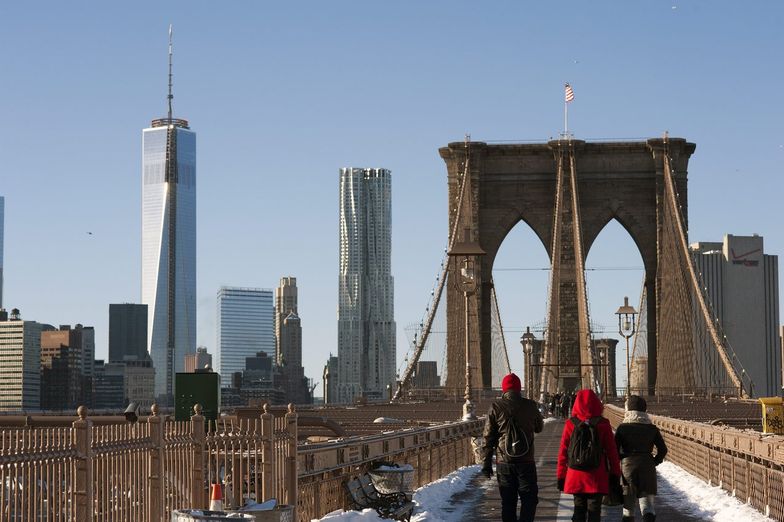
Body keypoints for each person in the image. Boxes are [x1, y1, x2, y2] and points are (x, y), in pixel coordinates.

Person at [481, 373, 544, 522]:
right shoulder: (530, 405)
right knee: (529, 500)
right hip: (526, 462)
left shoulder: (496, 407)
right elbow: (539, 428)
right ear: (518, 388)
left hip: (504, 462)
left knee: (508, 503)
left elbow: (488, 437)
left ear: (504, 389)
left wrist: (486, 463)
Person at [556, 389, 622, 522]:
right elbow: (612, 452)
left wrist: (561, 476)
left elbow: (563, 451)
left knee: (579, 509)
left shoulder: (571, 423)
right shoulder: (603, 424)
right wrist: (615, 474)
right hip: (597, 475)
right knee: (594, 511)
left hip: (576, 474)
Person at [614, 395, 668, 522]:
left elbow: (614, 449)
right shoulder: (651, 428)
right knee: (647, 505)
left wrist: (622, 459)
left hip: (628, 468)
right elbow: (663, 450)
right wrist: (655, 461)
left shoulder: (623, 428)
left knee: (628, 507)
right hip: (647, 467)